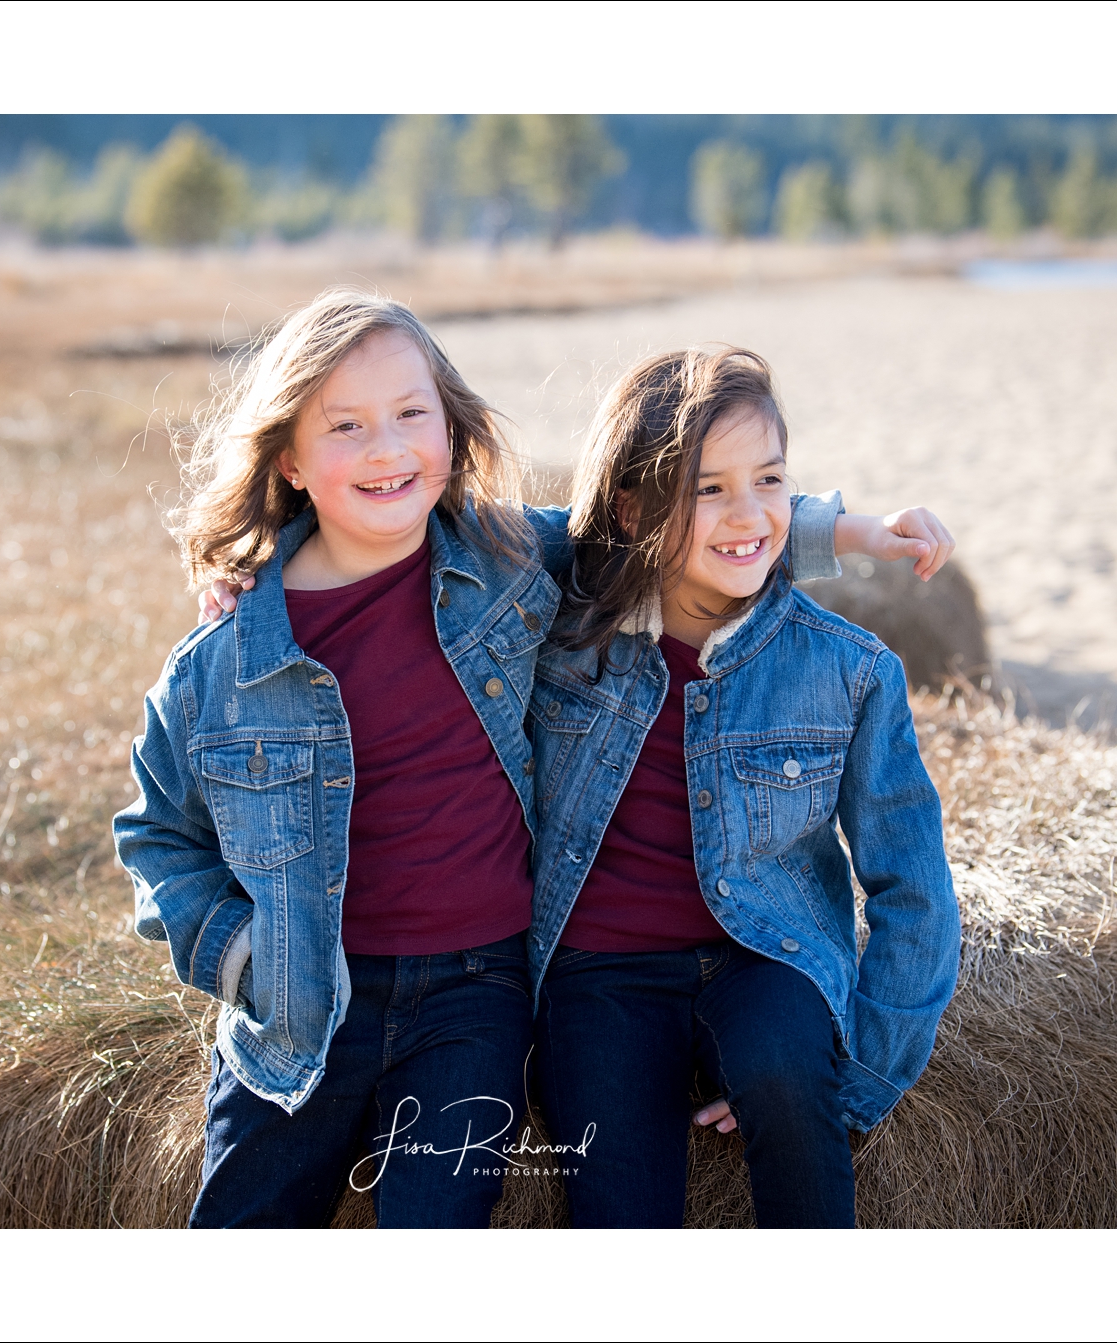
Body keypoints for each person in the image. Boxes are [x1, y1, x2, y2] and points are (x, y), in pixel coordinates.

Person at [129, 288, 941, 1227]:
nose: (387, 447)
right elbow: (157, 835)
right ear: (290, 460)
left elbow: (671, 523)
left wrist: (846, 530)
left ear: (451, 429)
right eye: (346, 426)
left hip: (477, 992)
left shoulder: (503, 565)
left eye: (409, 415)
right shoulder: (223, 661)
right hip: (310, 994)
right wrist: (243, 959)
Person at [523, 346, 963, 1229]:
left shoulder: (847, 670)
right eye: (707, 487)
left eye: (770, 479)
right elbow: (439, 527)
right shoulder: (566, 619)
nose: (748, 513)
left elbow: (916, 890)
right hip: (598, 971)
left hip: (766, 956)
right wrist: (263, 556)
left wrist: (864, 1076)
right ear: (633, 505)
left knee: (783, 1067)